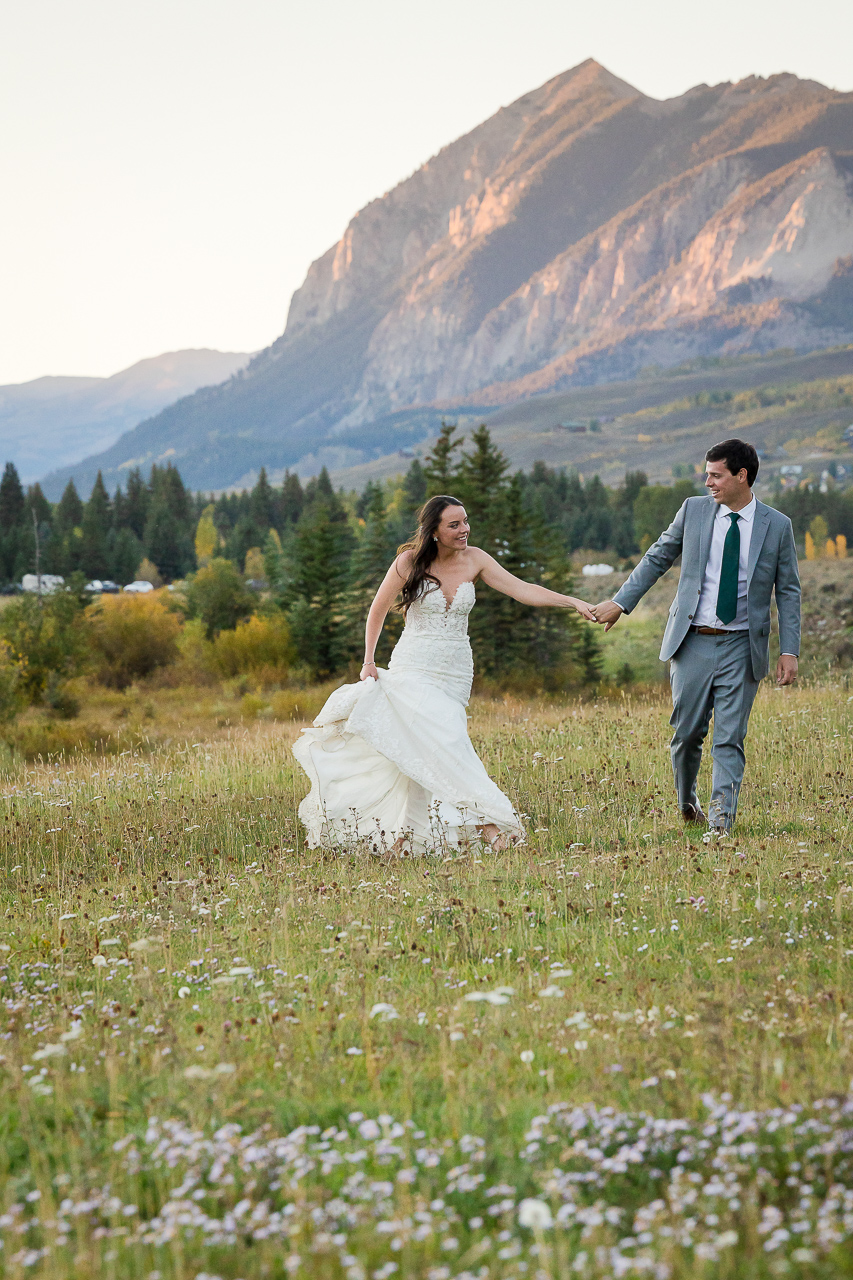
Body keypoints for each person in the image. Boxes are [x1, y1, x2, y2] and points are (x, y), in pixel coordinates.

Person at [293, 494, 596, 853]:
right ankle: (490, 828)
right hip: (414, 666)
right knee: (446, 743)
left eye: (465, 521)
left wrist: (573, 602)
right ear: (434, 531)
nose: (464, 529)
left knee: (424, 751)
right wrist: (369, 661)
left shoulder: (477, 560)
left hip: (455, 672)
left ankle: (403, 839)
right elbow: (377, 610)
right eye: (454, 524)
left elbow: (523, 590)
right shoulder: (409, 562)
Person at [592, 439, 800, 833]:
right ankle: (688, 803)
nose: (708, 482)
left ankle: (721, 824)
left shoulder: (777, 526)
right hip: (692, 641)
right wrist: (621, 602)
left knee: (729, 738)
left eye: (715, 475)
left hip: (743, 644)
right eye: (707, 474)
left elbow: (788, 590)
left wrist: (789, 650)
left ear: (741, 476)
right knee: (687, 734)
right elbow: (657, 557)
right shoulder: (694, 511)